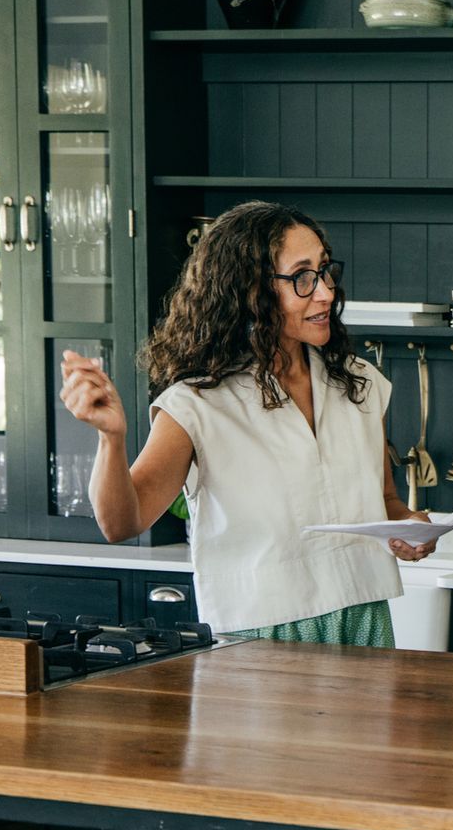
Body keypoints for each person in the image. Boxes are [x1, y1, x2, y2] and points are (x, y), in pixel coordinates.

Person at [61, 201, 433, 644]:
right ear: (250, 289)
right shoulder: (197, 404)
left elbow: (383, 498)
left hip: (364, 611)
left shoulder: (359, 383)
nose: (326, 293)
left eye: (325, 270)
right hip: (261, 629)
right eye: (302, 278)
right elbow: (121, 522)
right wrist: (111, 437)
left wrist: (410, 526)